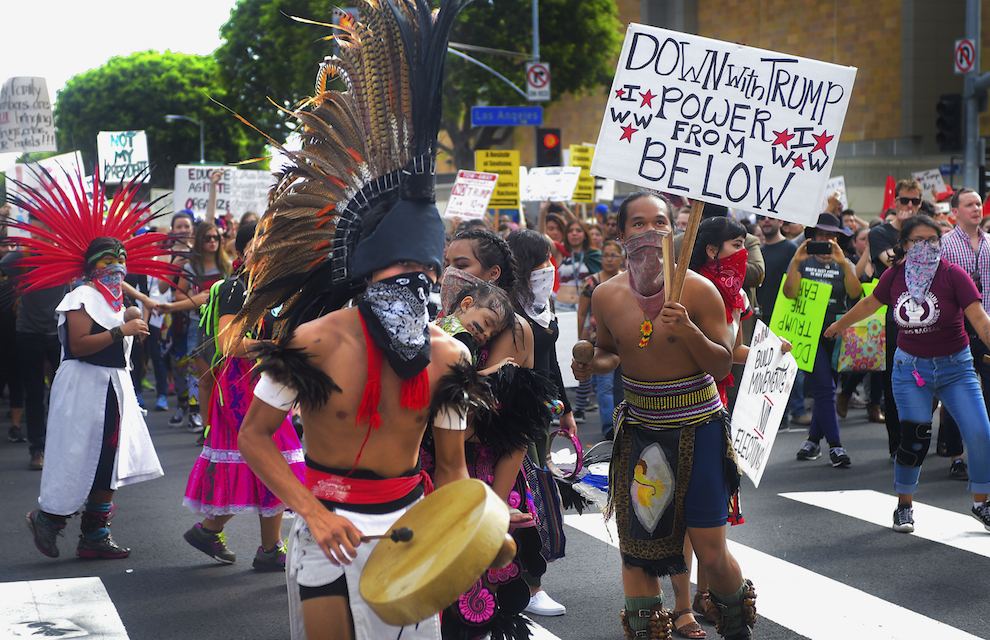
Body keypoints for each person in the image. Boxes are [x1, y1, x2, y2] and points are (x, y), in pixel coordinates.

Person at [232, 2, 486, 637]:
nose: (414, 282)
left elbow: (452, 469)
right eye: (397, 267)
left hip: (409, 531)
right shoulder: (312, 342)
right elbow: (254, 438)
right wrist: (312, 514)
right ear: (365, 268)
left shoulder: (449, 358)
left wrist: (472, 536)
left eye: (424, 271)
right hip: (324, 531)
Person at [572, 192, 756, 640]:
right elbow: (608, 355)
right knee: (638, 549)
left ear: (674, 231)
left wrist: (688, 329)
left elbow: (720, 363)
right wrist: (586, 364)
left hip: (700, 426)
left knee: (711, 552)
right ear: (620, 233)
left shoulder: (700, 290)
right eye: (638, 224)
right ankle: (648, 628)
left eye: (659, 222)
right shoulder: (606, 295)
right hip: (641, 429)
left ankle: (735, 621)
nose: (650, 232)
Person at [824, 215, 990, 533]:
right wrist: (840, 325)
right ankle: (904, 506)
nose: (926, 247)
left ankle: (982, 504)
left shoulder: (953, 275)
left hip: (956, 368)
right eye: (918, 241)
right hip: (910, 369)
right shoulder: (895, 275)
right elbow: (871, 302)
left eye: (932, 240)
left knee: (980, 434)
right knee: (914, 438)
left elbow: (980, 320)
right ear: (903, 245)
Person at [182, 222, 306, 570]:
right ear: (241, 253)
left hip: (269, 377)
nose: (267, 251)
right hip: (241, 385)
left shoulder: (277, 291)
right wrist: (277, 346)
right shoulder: (235, 288)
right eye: (258, 245)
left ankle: (257, 544)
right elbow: (230, 344)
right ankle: (260, 546)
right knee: (268, 457)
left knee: (264, 459)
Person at [505, 229, 577, 618]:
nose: (550, 267)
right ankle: (531, 586)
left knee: (534, 496)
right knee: (524, 497)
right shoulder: (505, 311)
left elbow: (550, 364)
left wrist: (564, 408)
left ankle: (525, 579)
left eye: (552, 259)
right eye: (542, 260)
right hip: (515, 418)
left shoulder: (541, 305)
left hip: (541, 417)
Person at [784, 213, 861, 467]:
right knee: (825, 388)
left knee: (825, 391)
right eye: (821, 236)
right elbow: (790, 293)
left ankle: (813, 441)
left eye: (831, 236)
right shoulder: (801, 262)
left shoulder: (845, 262)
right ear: (812, 238)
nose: (826, 241)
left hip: (838, 334)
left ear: (838, 239)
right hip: (809, 333)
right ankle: (836, 447)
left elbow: (855, 293)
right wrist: (795, 262)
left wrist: (843, 262)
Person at [0, 215, 67, 470]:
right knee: (34, 393)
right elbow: (4, 264)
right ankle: (37, 448)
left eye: (44, 235)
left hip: (58, 332)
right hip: (28, 332)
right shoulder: (21, 257)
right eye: (35, 235)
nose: (39, 240)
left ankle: (59, 445)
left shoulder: (66, 257)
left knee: (61, 393)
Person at [935, 188, 990, 481]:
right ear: (955, 211)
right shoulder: (944, 245)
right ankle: (956, 456)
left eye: (979, 204)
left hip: (986, 326)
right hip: (955, 329)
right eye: (969, 204)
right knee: (957, 396)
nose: (976, 209)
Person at [870, 178, 924, 459]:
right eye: (905, 201)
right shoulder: (880, 232)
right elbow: (894, 260)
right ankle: (897, 443)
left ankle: (919, 436)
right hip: (894, 317)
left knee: (925, 378)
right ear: (895, 202)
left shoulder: (926, 230)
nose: (911, 206)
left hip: (926, 315)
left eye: (916, 201)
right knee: (895, 379)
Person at [756, 215, 807, 428]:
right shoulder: (757, 251)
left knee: (790, 366)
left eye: (771, 217)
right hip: (762, 315)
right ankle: (777, 417)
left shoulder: (790, 250)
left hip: (786, 315)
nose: (766, 221)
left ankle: (798, 409)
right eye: (762, 218)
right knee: (768, 368)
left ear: (781, 222)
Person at [578, 238, 625, 440]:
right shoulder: (591, 282)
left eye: (613, 255)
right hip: (600, 342)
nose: (608, 259)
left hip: (625, 341)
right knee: (604, 385)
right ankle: (609, 427)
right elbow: (582, 313)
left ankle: (622, 425)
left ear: (622, 258)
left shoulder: (628, 281)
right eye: (605, 255)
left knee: (622, 385)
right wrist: (582, 339)